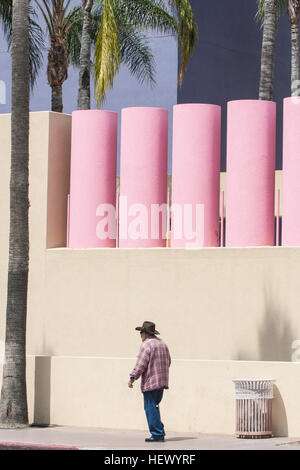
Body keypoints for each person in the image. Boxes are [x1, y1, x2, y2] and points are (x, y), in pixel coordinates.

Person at [128, 321, 171, 442]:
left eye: (141, 332)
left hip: (150, 382)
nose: (140, 335)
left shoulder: (147, 345)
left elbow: (141, 364)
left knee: (150, 408)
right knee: (155, 407)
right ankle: (159, 430)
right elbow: (169, 361)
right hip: (162, 382)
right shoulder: (162, 343)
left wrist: (132, 377)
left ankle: (157, 434)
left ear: (146, 333)